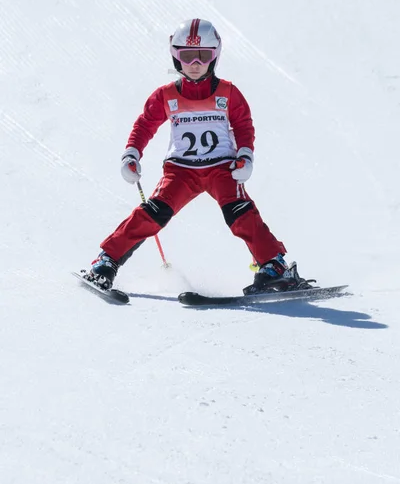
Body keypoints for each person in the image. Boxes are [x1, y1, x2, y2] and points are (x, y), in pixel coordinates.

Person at [87, 18, 299, 295]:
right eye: (188, 56)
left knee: (239, 213)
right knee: (152, 214)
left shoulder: (228, 93)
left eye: (203, 56)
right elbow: (145, 125)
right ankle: (106, 263)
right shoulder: (166, 95)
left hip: (222, 168)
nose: (195, 63)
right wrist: (132, 154)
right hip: (180, 172)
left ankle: (275, 267)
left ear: (215, 57)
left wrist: (245, 156)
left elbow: (243, 125)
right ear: (176, 57)